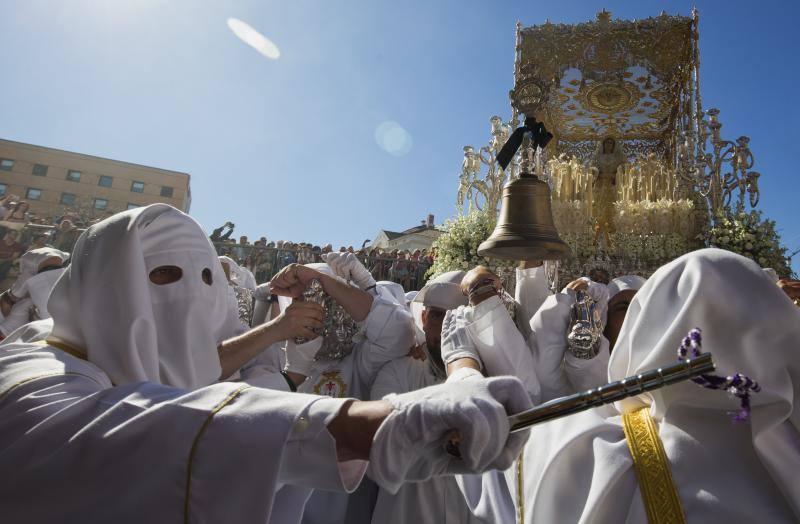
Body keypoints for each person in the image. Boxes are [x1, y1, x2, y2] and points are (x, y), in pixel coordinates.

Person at [0, 203, 532, 523]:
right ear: (102, 284)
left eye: (205, 280)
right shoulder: (29, 368)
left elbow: (208, 376)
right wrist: (376, 426)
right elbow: (138, 431)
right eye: (161, 276)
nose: (187, 299)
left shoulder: (182, 359)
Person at [456, 248, 800, 522]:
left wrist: (462, 362)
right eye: (620, 308)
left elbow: (480, 458)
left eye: (633, 309)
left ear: (650, 327)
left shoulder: (606, 459)